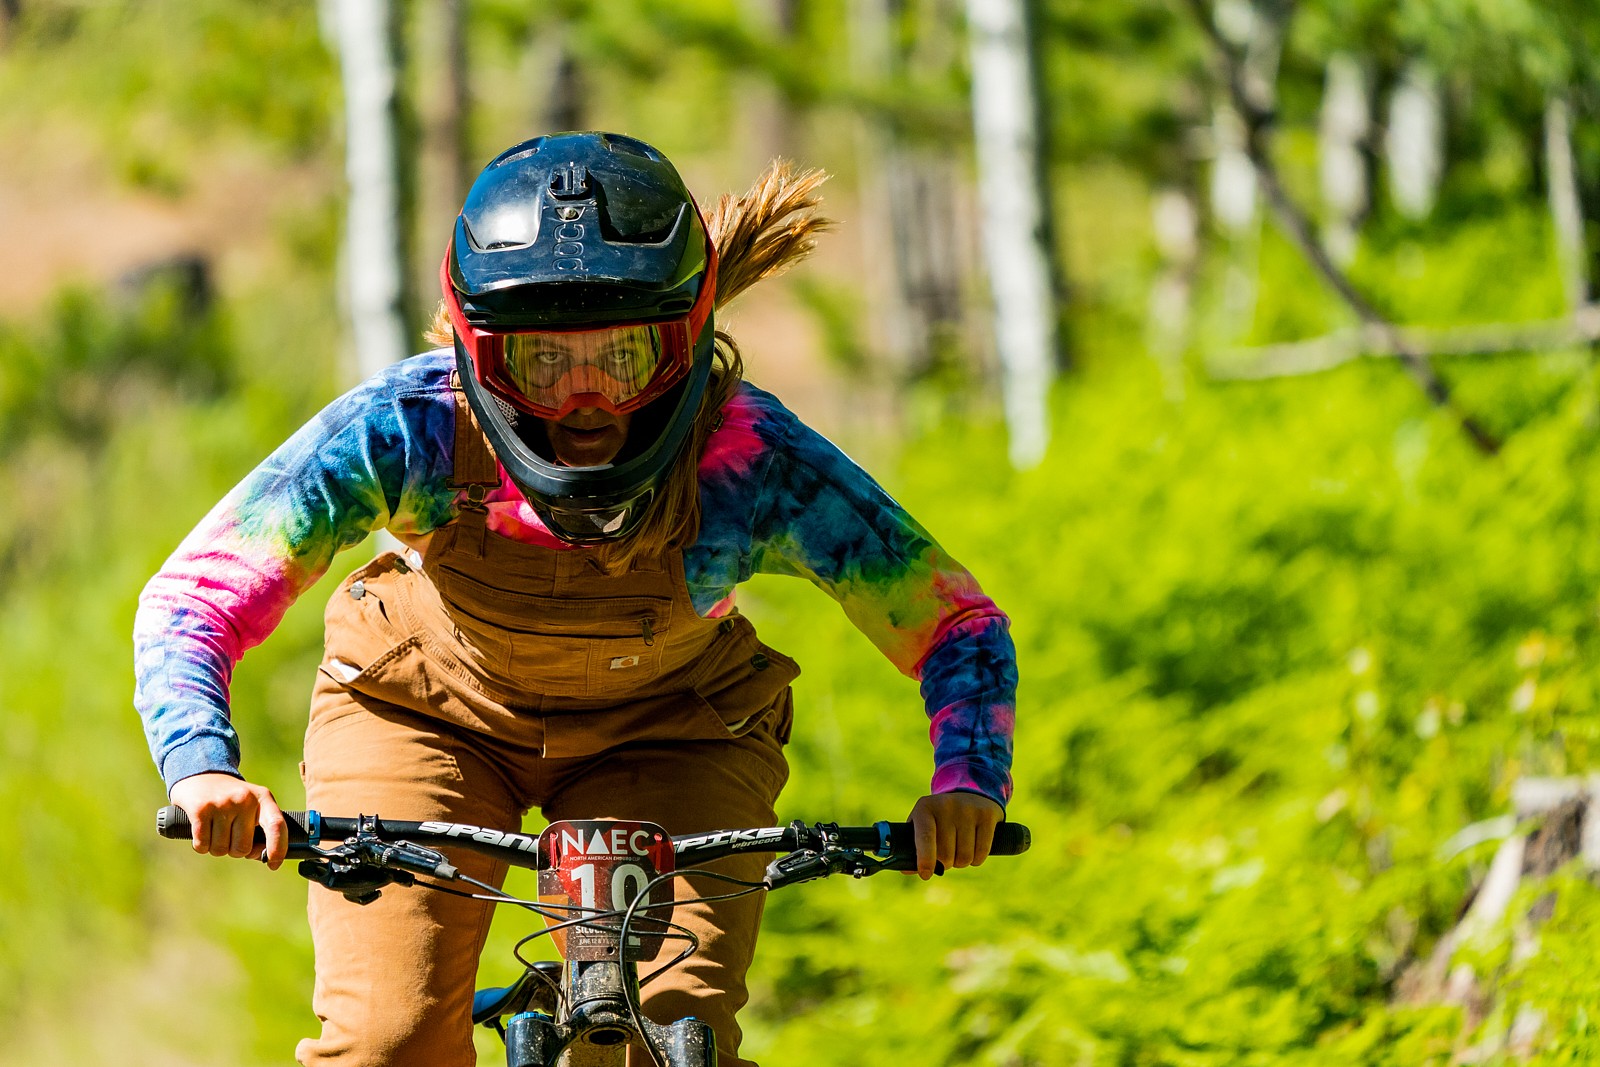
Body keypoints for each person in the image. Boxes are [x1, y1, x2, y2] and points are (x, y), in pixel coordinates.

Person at [135, 131, 1016, 1067]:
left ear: (685, 342)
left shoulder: (753, 457)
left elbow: (954, 621)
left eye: (626, 358)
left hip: (671, 730)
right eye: (541, 363)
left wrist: (966, 784)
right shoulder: (411, 424)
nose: (586, 402)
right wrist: (202, 766)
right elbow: (198, 594)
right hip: (425, 715)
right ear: (481, 350)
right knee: (387, 1044)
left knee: (666, 1044)